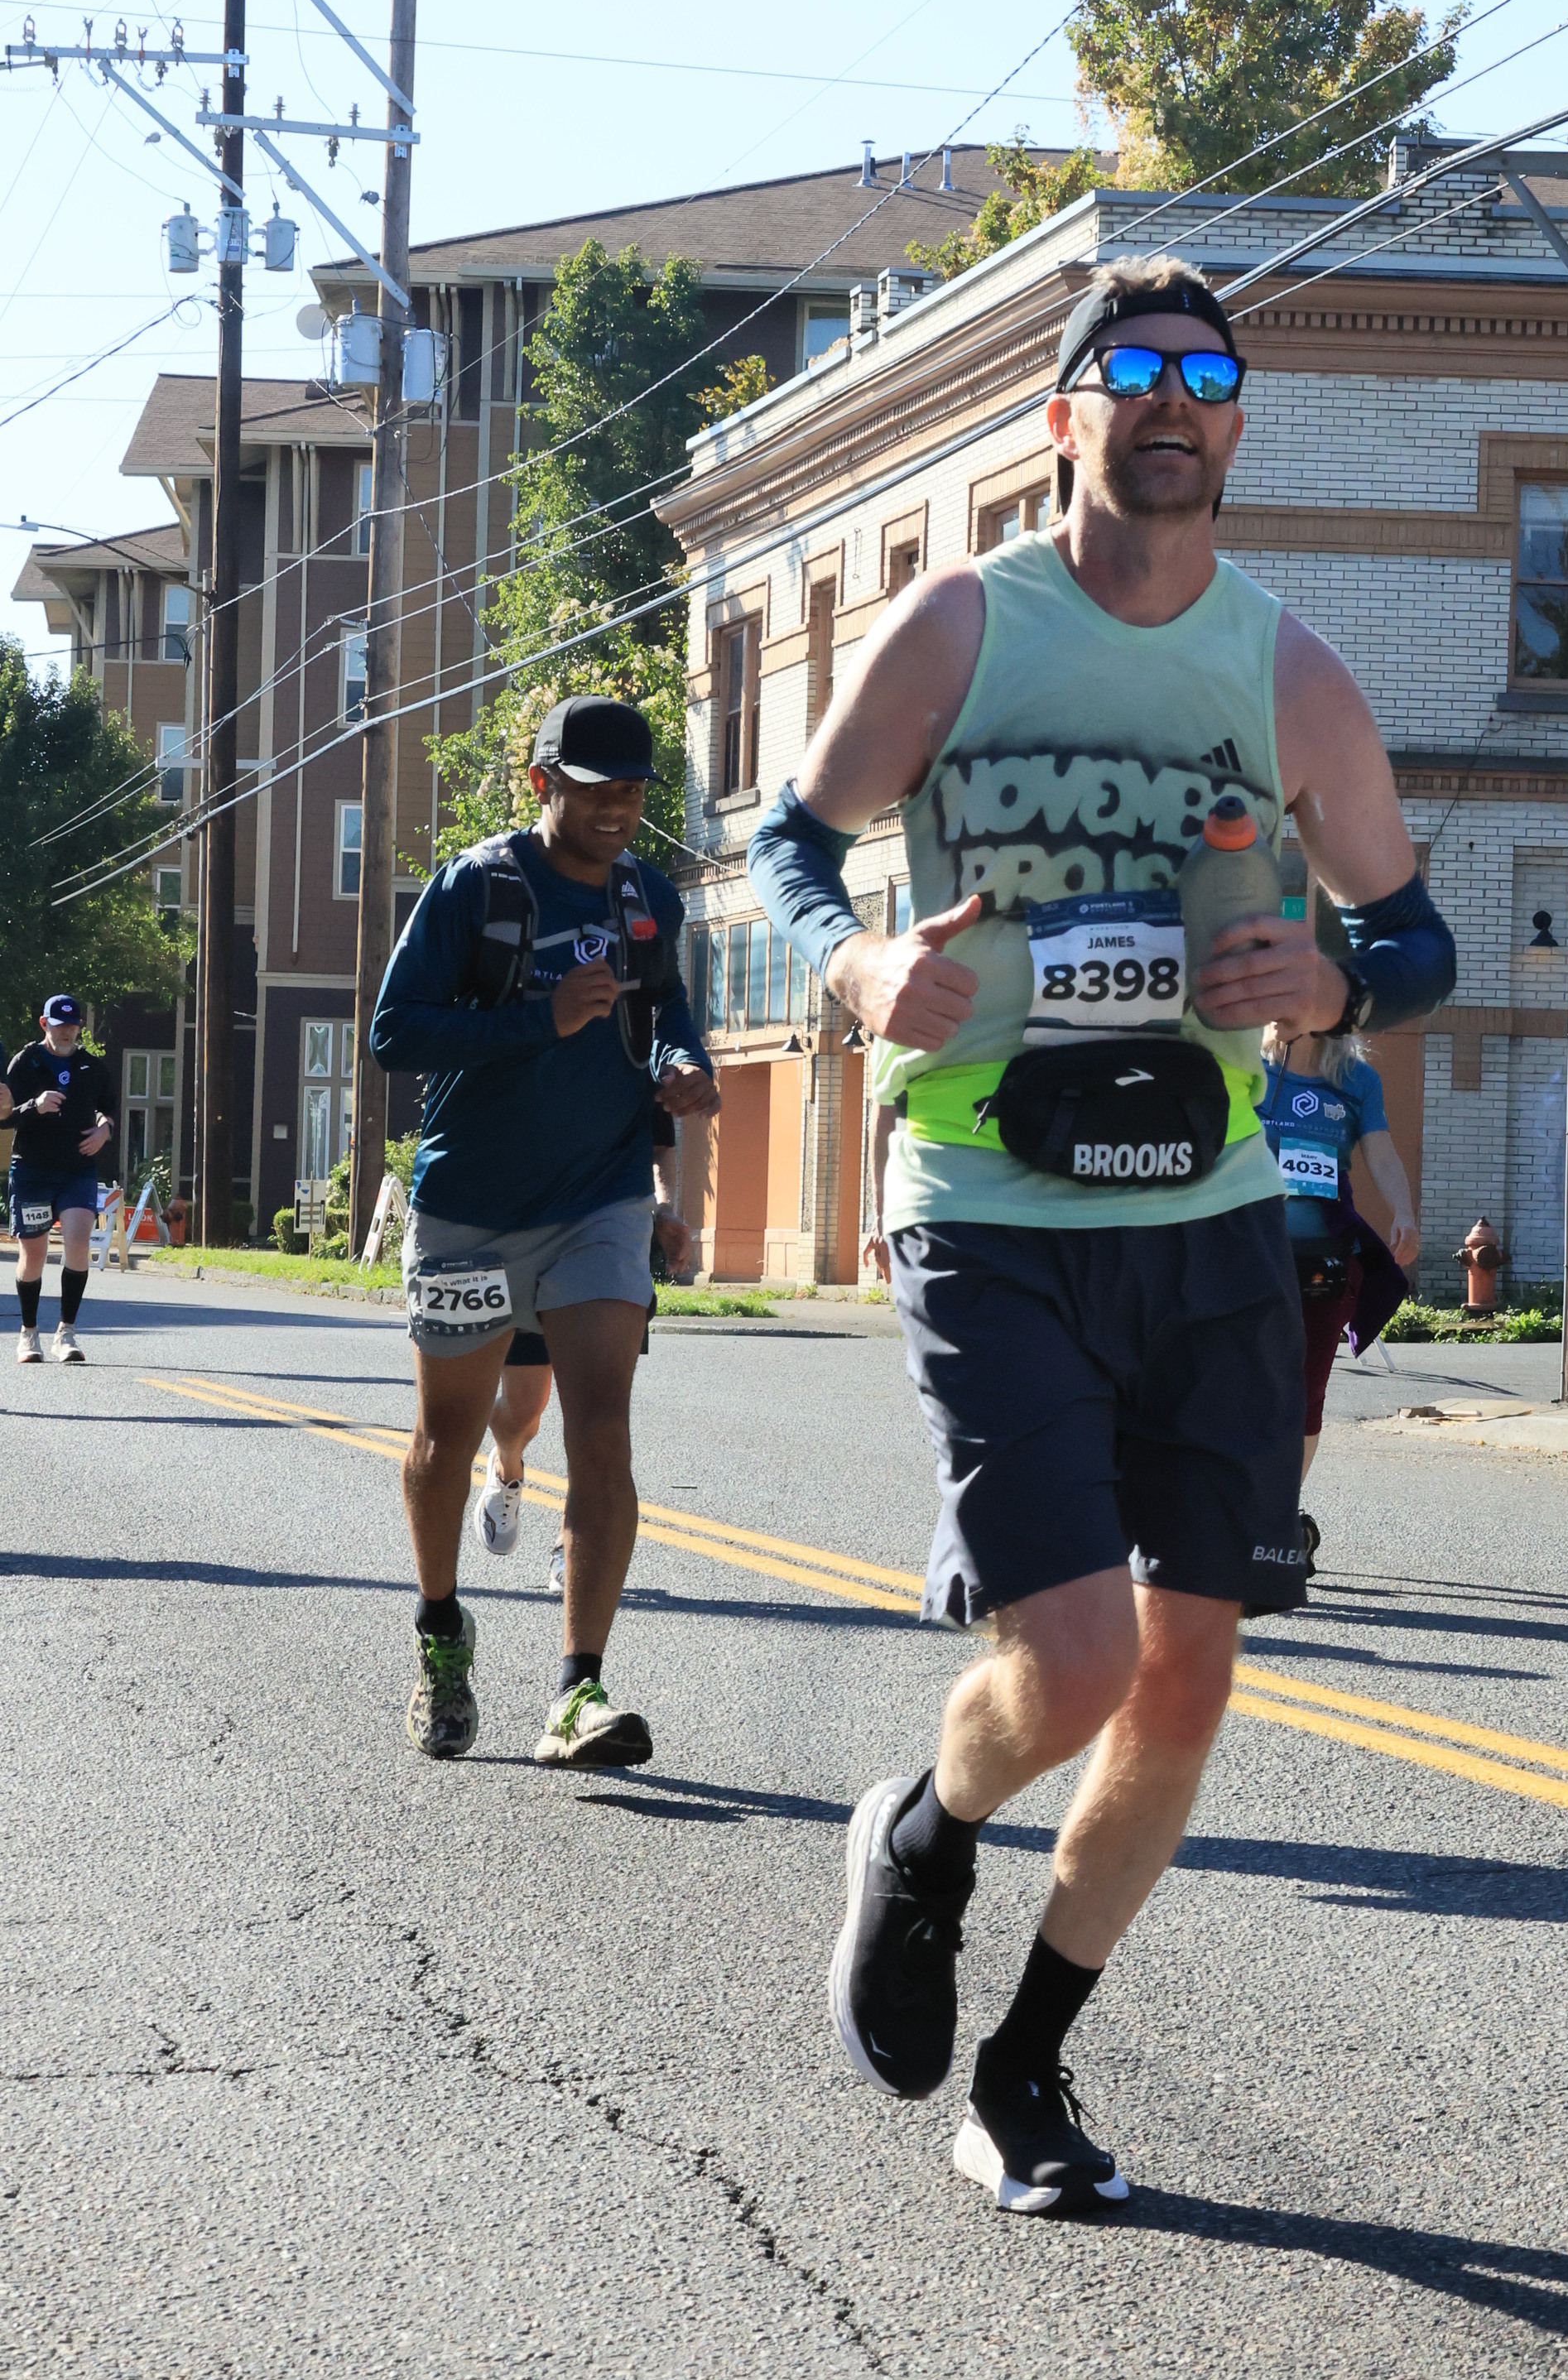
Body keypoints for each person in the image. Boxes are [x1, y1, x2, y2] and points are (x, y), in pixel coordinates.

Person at [749, 253, 1455, 2215]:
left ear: (1234, 428)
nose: (1170, 402)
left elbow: (1412, 937)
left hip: (1211, 1217)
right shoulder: (965, 625)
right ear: (1063, 415)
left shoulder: (1286, 671)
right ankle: (922, 1829)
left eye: (1206, 379)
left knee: (1186, 1677)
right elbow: (791, 844)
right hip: (991, 1205)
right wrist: (856, 964)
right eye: (1130, 369)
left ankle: (1025, 2070)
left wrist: (1332, 983)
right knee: (1068, 1662)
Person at [368, 693, 719, 1767]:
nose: (618, 809)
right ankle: (441, 1631)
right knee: (447, 1441)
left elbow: (666, 1008)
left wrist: (682, 1065)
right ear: (542, 784)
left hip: (601, 1199)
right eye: (594, 789)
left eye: (634, 792)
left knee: (602, 1428)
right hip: (471, 1207)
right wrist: (541, 1019)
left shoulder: (648, 896)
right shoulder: (477, 887)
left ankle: (579, 1691)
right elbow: (394, 1033)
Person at [474, 1105, 699, 1588]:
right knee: (523, 1411)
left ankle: (571, 1544)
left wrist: (664, 1210)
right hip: (530, 1240)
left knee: (595, 1421)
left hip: (610, 1246)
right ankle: (506, 1464)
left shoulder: (636, 1059)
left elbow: (660, 1145)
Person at [1256, 1024, 1419, 1573]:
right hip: (1246, 1253)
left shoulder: (1357, 1081)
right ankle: (1241, 1510)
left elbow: (1381, 1152)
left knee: (1306, 1389)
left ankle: (1278, 1517)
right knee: (1236, 1384)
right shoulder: (1244, 1070)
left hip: (1323, 1255)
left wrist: (1403, 1211)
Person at [6, 995, 118, 1366]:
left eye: (72, 1025)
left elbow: (108, 1109)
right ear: (44, 1024)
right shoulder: (26, 1063)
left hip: (77, 1171)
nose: (66, 1031)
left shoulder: (92, 1067)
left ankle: (65, 1332)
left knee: (78, 1242)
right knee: (34, 1255)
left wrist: (105, 1130)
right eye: (59, 1025)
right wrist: (34, 1106)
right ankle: (29, 1334)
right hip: (33, 1172)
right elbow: (4, 1117)